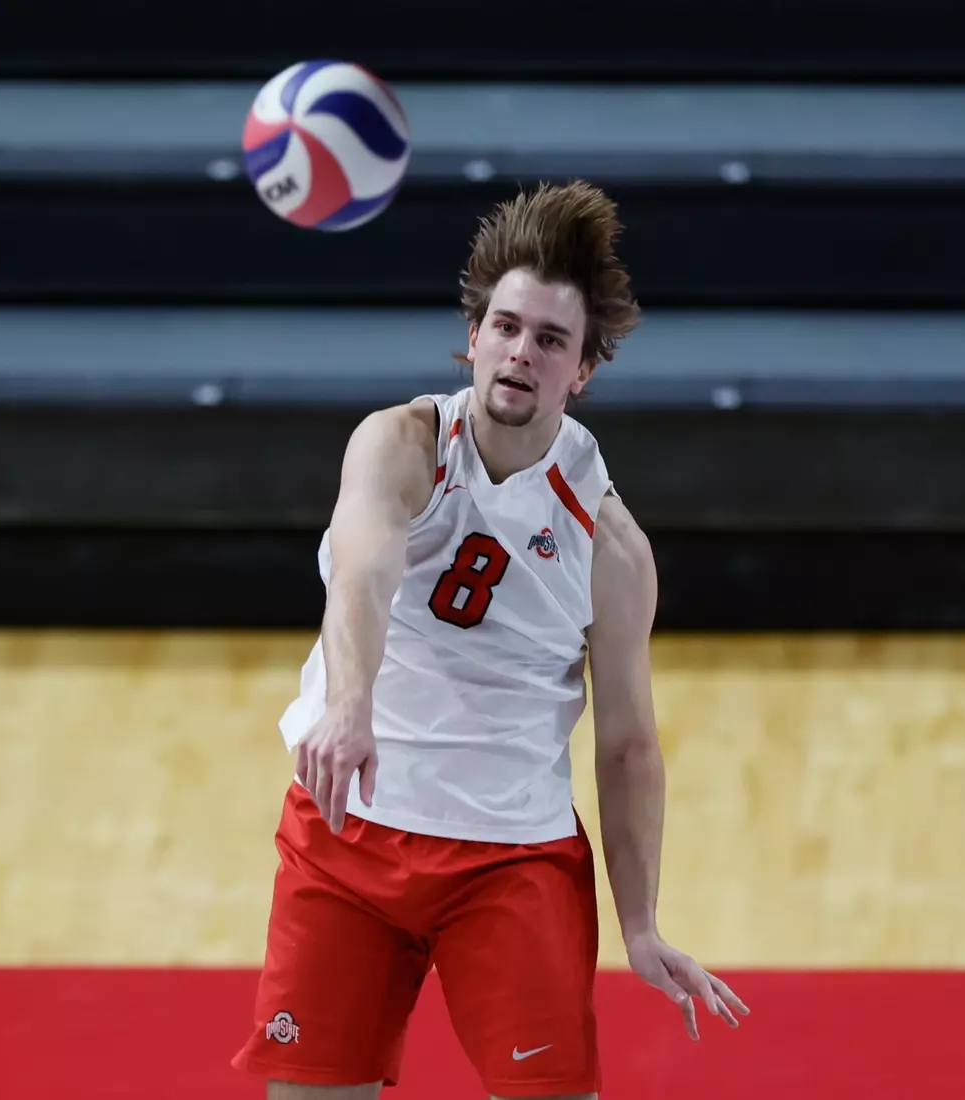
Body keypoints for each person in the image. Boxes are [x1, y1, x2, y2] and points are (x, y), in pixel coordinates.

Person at [232, 180, 748, 1100]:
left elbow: (628, 745)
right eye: (506, 327)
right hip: (348, 835)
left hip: (511, 860)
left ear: (581, 371)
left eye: (550, 340)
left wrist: (639, 925)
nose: (521, 352)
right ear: (473, 337)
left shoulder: (610, 546)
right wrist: (347, 705)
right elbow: (361, 574)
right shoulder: (400, 446)